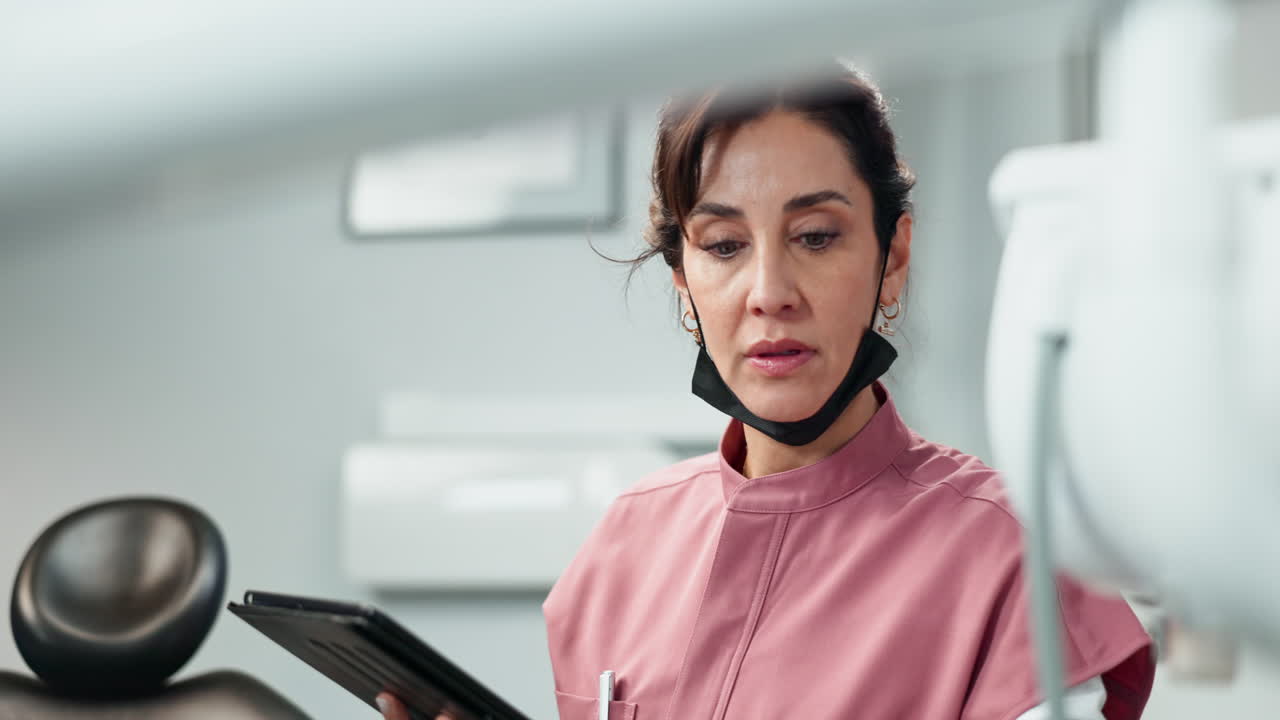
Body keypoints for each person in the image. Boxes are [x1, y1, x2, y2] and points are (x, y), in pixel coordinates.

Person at [375, 64, 1156, 720]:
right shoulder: (622, 549)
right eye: (722, 246)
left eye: (815, 236)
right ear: (683, 281)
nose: (769, 291)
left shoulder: (1013, 565)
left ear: (892, 256)